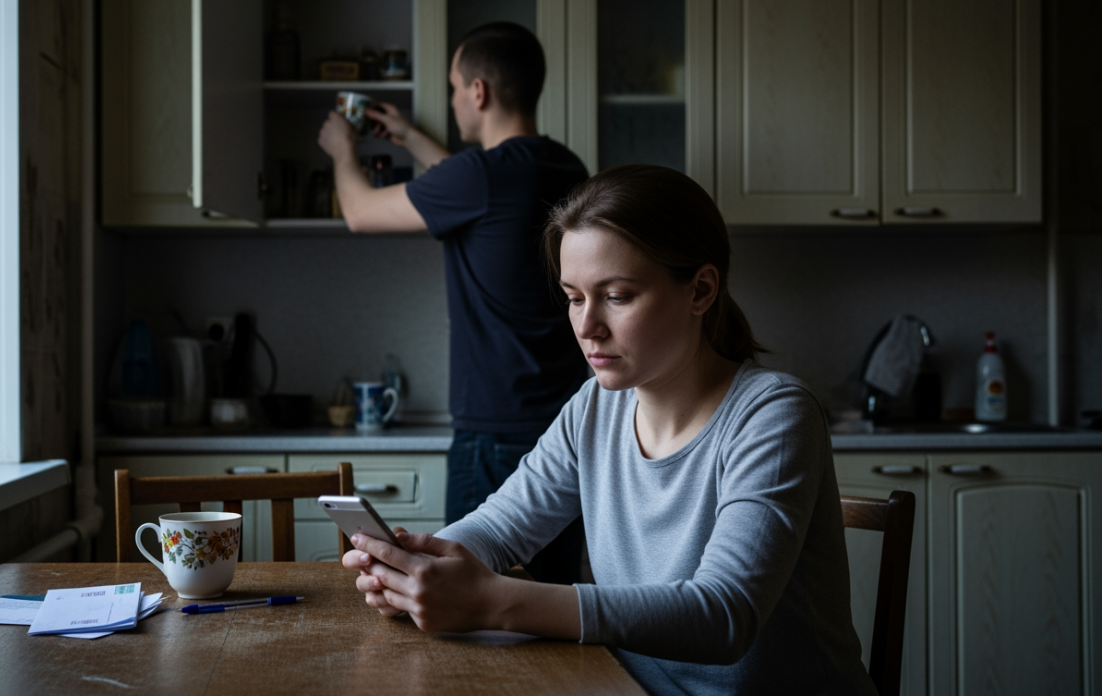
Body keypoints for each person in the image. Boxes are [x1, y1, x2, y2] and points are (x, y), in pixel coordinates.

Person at [339, 165, 877, 696]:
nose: (586, 326)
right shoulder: (596, 406)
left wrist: (491, 601)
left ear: (701, 290)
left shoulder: (774, 415)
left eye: (617, 296)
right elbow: (501, 529)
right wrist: (418, 569)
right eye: (574, 297)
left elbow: (724, 616)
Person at [317, 23, 589, 583]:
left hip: (493, 434)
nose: (452, 100)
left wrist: (342, 151)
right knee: (549, 607)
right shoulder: (566, 167)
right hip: (566, 429)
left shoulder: (481, 176)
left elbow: (359, 210)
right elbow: (477, 190)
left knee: (459, 604)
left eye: (453, 88)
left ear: (479, 92)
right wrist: (411, 138)